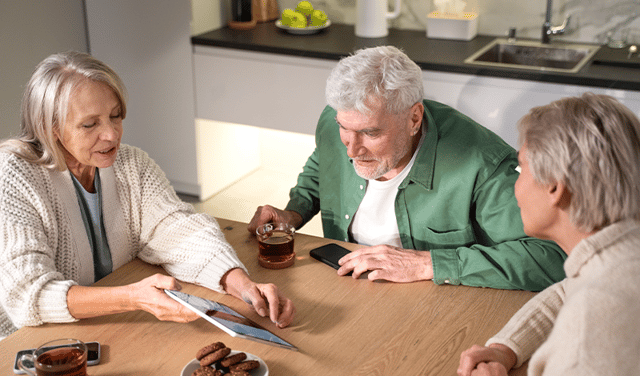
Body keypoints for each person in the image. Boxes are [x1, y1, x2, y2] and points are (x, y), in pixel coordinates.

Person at [0, 51, 294, 339]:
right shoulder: (13, 176)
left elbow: (180, 231)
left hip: (112, 330)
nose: (112, 135)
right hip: (32, 341)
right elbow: (27, 293)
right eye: (90, 124)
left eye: (115, 116)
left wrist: (242, 285)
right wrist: (133, 297)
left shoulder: (131, 164)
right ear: (51, 129)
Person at [248, 45, 566, 291]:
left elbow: (551, 258)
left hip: (436, 304)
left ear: (414, 118)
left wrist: (426, 264)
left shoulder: (482, 164)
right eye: (344, 128)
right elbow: (323, 166)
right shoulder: (339, 125)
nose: (352, 148)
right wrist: (294, 213)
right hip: (348, 288)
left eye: (371, 133)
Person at [458, 93, 640, 376]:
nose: (515, 186)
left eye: (520, 168)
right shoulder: (622, 254)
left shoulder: (586, 338)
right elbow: (567, 291)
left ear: (555, 187)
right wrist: (505, 348)